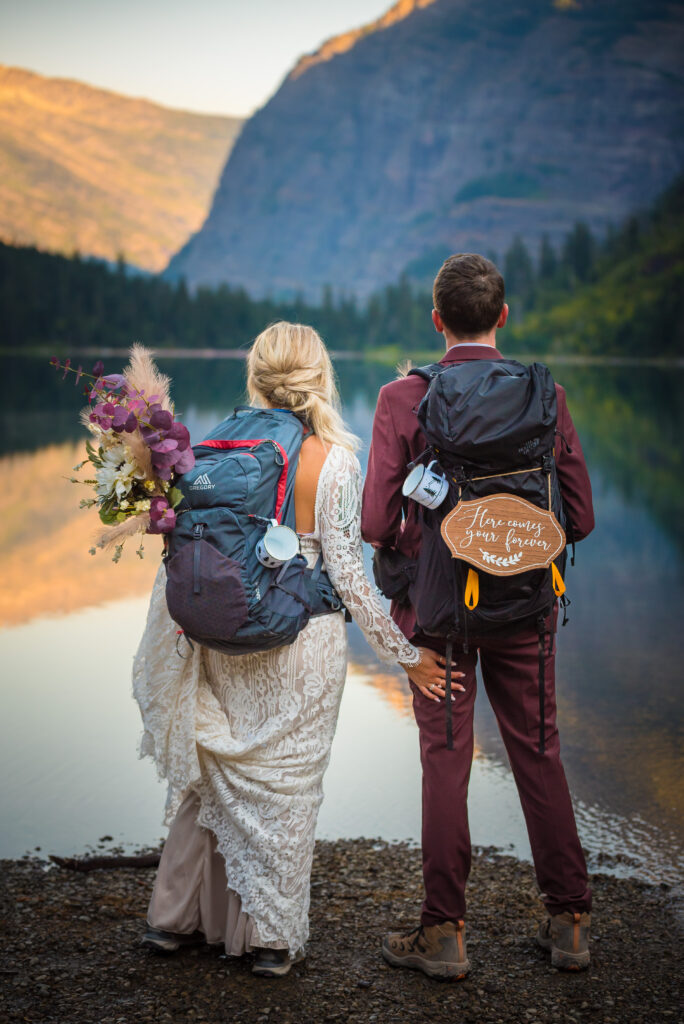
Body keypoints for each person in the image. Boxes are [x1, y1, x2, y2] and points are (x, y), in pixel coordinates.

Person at [132, 322, 450, 977]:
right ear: (320, 374)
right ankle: (270, 941)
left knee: (214, 776)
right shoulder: (331, 456)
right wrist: (406, 655)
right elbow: (349, 574)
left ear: (257, 373)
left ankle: (173, 921)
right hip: (301, 638)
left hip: (222, 632)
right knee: (287, 788)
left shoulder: (214, 442)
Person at [361, 254, 595, 979]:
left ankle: (445, 933)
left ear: (436, 321)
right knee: (537, 753)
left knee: (445, 762)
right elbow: (579, 519)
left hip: (439, 615)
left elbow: (373, 521)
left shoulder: (403, 397)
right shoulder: (544, 396)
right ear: (502, 316)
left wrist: (427, 537)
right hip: (528, 609)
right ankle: (569, 923)